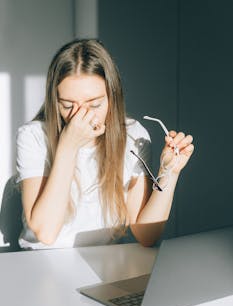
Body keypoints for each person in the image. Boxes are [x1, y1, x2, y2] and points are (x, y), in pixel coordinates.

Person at [16, 38, 194, 250]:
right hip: (40, 262)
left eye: (95, 104)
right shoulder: (33, 136)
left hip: (105, 263)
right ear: (55, 101)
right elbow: (45, 233)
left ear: (112, 97)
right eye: (67, 105)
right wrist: (68, 145)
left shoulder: (133, 135)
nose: (81, 116)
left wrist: (169, 172)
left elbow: (147, 235)